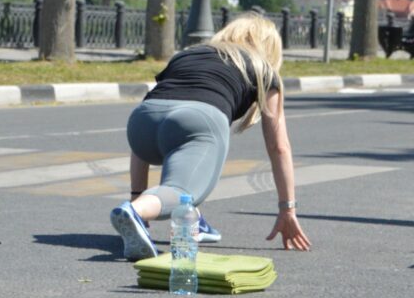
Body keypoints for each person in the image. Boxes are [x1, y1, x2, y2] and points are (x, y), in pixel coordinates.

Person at [110, 14, 312, 259]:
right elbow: (279, 146)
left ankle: (190, 220)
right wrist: (287, 210)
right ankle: (134, 211)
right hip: (196, 119)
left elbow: (156, 107)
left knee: (184, 170)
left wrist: (137, 190)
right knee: (182, 192)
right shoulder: (262, 68)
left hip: (142, 123)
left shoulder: (188, 54)